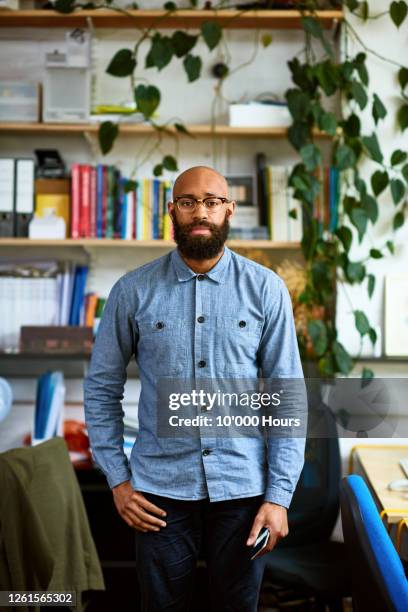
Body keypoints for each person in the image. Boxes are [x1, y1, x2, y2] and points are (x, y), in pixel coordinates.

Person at [84, 166, 306, 612]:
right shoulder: (132, 291)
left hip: (244, 491)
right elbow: (101, 388)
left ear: (229, 210)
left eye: (211, 202)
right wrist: (119, 481)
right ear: (172, 211)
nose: (199, 212)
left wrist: (278, 497)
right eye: (187, 202)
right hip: (159, 493)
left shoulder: (266, 290)